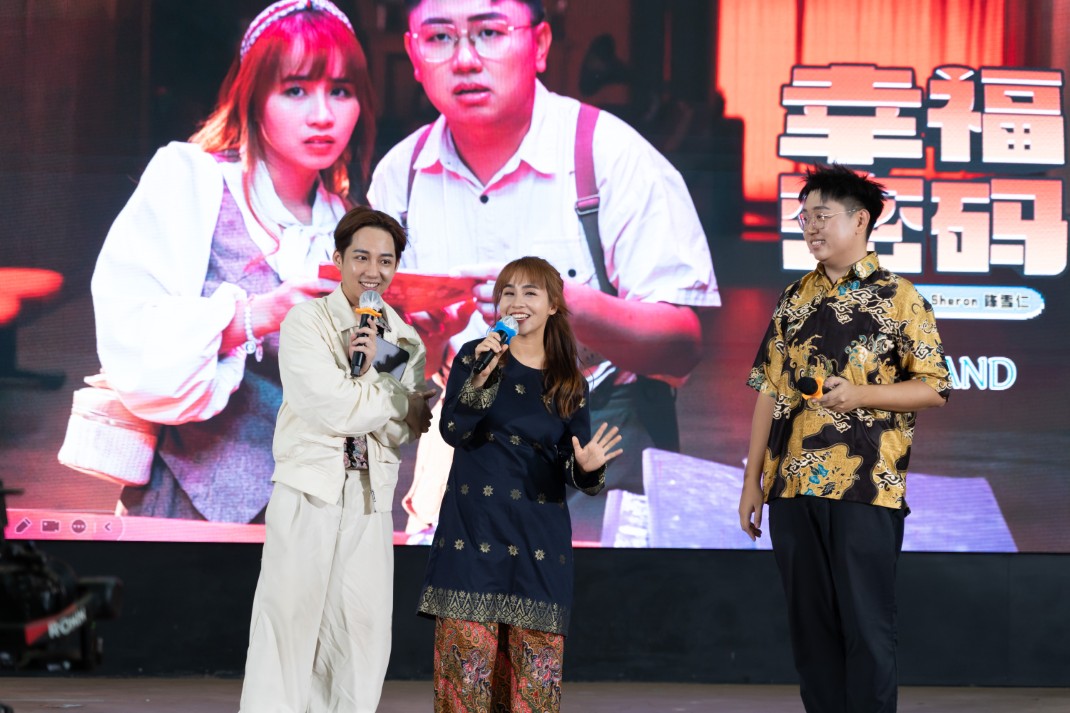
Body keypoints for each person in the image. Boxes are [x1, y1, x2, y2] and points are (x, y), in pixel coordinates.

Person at [368, 0, 720, 543]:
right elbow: (380, 364)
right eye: (439, 37)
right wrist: (422, 353)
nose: (465, 59)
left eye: (489, 31)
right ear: (414, 56)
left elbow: (682, 346)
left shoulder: (609, 155)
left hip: (598, 444)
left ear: (540, 44)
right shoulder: (400, 177)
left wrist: (569, 306)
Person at [90, 0, 375, 523]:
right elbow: (128, 333)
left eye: (341, 90)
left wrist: (418, 342)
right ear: (253, 97)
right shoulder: (191, 180)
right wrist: (258, 315)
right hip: (191, 499)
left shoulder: (349, 222)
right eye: (295, 90)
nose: (323, 115)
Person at [737, 164, 950, 713]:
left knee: (867, 630)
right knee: (811, 635)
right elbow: (768, 392)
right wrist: (752, 481)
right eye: (804, 217)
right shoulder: (793, 298)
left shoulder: (900, 298)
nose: (810, 226)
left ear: (860, 221)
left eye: (822, 216)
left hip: (865, 491)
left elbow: (933, 388)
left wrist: (860, 395)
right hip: (791, 489)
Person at [239, 205, 434, 712]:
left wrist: (386, 394)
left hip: (370, 496)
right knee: (288, 624)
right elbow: (331, 406)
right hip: (311, 489)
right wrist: (390, 395)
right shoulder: (308, 321)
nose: (373, 271)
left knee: (361, 633)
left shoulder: (404, 339)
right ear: (339, 258)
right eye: (362, 257)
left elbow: (410, 425)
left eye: (386, 261)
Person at [418, 256, 622, 712]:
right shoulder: (475, 356)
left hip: (538, 543)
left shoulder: (570, 382)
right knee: (464, 690)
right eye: (508, 292)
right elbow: (452, 430)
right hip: (472, 535)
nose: (517, 301)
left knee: (532, 694)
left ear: (553, 305)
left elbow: (575, 470)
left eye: (530, 292)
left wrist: (587, 468)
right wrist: (481, 377)